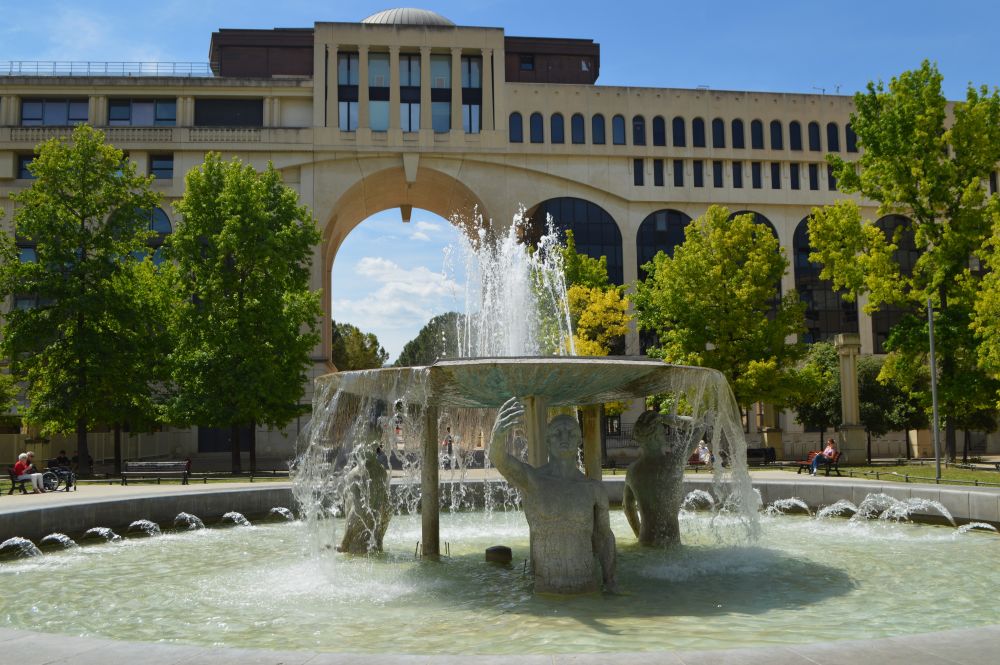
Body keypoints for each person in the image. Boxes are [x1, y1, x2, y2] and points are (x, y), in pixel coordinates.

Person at [490, 397, 618, 594]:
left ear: (579, 441)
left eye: (570, 433)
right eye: (558, 433)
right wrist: (497, 438)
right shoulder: (533, 481)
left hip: (586, 587)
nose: (564, 437)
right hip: (546, 589)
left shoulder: (593, 489)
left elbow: (604, 537)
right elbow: (501, 461)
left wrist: (610, 581)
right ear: (548, 441)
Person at [624, 411, 699, 547]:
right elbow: (698, 425)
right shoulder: (673, 463)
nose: (665, 435)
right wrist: (665, 418)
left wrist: (638, 533)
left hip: (645, 539)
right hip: (670, 543)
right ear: (654, 438)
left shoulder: (632, 471)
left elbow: (628, 507)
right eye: (662, 432)